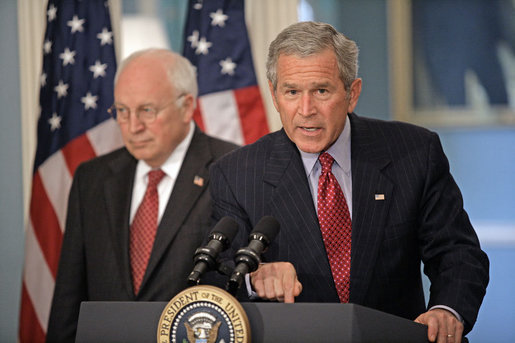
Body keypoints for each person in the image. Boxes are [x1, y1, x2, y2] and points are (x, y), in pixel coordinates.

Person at [209, 21, 489, 343]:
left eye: (322, 91)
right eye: (292, 92)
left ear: (352, 94)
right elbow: (217, 277)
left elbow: (457, 253)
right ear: (274, 95)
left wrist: (446, 310)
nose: (306, 110)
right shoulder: (236, 173)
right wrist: (254, 280)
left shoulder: (413, 153)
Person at [46, 49, 238, 342]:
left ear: (187, 107)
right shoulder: (92, 179)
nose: (133, 127)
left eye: (147, 110)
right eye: (122, 111)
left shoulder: (232, 170)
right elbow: (68, 300)